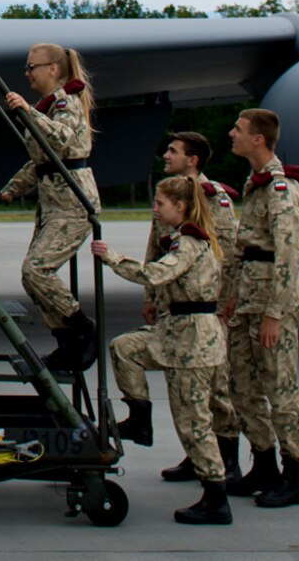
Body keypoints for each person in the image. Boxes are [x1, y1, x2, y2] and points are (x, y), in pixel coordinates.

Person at [94, 175, 234, 526]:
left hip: (192, 344)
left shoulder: (188, 243)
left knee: (193, 422)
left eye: (161, 204)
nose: (155, 209)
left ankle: (216, 497)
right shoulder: (181, 239)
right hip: (175, 333)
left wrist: (111, 258)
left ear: (182, 207)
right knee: (125, 348)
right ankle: (140, 419)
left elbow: (153, 275)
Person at [222, 108, 299, 508]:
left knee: (281, 388)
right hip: (247, 302)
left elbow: (288, 255)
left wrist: (276, 312)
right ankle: (263, 464)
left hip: (272, 305)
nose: (232, 135)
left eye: (238, 130)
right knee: (243, 386)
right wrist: (231, 296)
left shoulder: (281, 190)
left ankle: (294, 477)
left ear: (258, 139)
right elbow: (245, 250)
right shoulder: (255, 186)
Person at [0, 45, 100, 374]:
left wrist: (29, 111)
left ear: (53, 69)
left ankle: (82, 329)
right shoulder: (50, 105)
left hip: (72, 203)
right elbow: (43, 160)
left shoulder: (64, 102)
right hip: (53, 204)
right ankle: (66, 342)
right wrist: (14, 188)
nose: (28, 73)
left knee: (36, 271)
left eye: (33, 67)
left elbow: (61, 140)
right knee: (32, 278)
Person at [155, 132, 242, 484]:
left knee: (217, 390)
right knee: (182, 389)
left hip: (208, 309)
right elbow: (156, 246)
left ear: (192, 160)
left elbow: (228, 253)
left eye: (173, 151)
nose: (166, 155)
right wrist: (151, 297)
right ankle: (196, 454)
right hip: (174, 307)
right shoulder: (169, 195)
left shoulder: (213, 198)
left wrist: (227, 300)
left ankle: (228, 459)